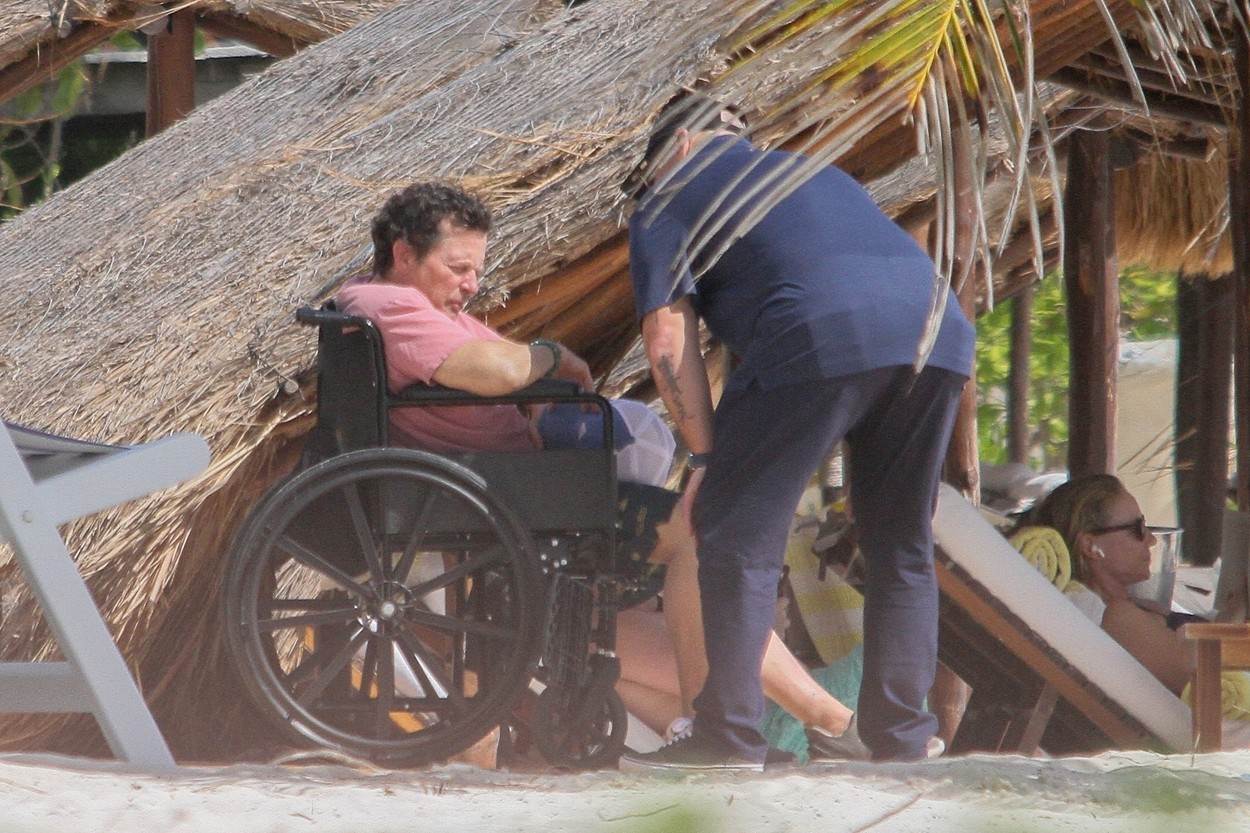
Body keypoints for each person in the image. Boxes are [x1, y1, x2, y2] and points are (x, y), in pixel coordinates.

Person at [337, 181, 862, 760]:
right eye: (458, 266)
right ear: (404, 254)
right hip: (513, 499)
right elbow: (497, 370)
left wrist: (534, 380)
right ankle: (806, 721)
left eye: (476, 269)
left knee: (624, 611)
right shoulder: (390, 307)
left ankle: (783, 724)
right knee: (701, 535)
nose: (472, 284)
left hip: (512, 489)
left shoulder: (420, 308)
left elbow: (501, 369)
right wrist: (551, 356)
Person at [621, 94, 975, 770]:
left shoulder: (667, 198)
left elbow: (667, 334)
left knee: (733, 531)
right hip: (940, 331)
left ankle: (727, 736)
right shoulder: (818, 174)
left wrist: (703, 457)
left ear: (683, 145)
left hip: (817, 332)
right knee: (900, 542)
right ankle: (900, 741)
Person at [1027, 474, 1193, 693]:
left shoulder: (1121, 609)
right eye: (1137, 529)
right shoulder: (1116, 617)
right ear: (1090, 546)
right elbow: (1211, 683)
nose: (1151, 540)